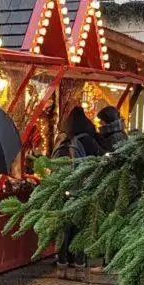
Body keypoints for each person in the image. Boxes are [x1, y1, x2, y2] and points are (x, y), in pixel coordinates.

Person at [52, 106, 102, 276]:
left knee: (63, 227)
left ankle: (61, 264)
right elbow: (97, 163)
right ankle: (80, 266)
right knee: (80, 227)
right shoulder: (88, 140)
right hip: (82, 189)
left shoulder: (61, 141)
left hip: (62, 189)